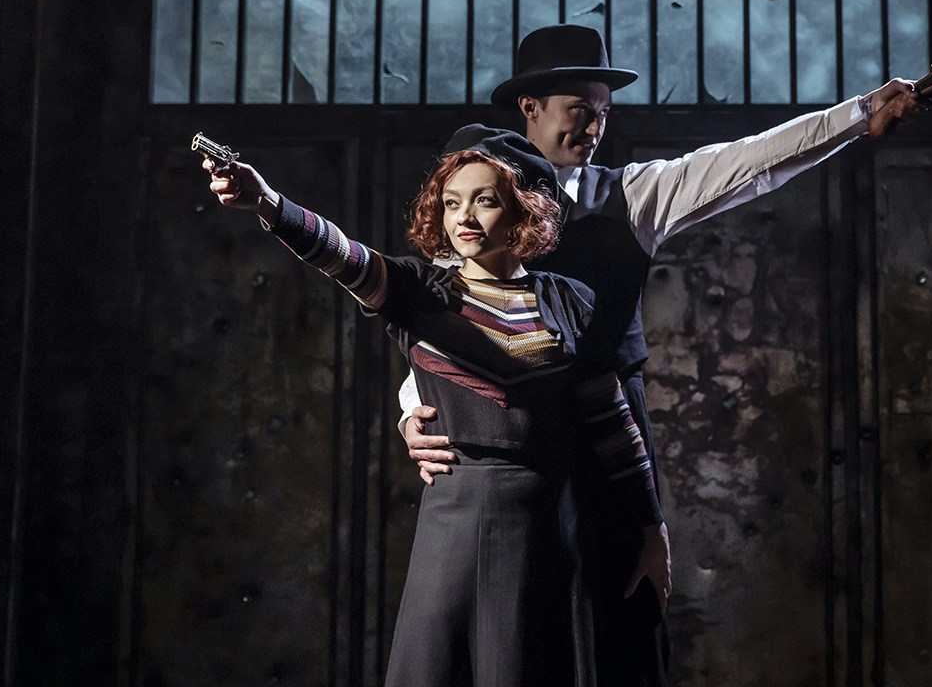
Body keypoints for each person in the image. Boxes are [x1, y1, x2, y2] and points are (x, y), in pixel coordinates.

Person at [399, 23, 925, 686]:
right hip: (514, 461)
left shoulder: (633, 197)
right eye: (579, 110)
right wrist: (410, 414)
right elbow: (433, 341)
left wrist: (859, 114)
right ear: (530, 108)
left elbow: (749, 160)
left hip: (611, 451)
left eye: (604, 113)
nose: (593, 126)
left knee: (620, 634)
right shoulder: (471, 211)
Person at [203, 128, 670, 687]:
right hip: (455, 514)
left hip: (552, 523)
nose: (464, 216)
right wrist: (267, 203)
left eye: (484, 200)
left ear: (523, 214)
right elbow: (340, 254)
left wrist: (651, 527)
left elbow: (612, 422)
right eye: (451, 203)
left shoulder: (569, 297)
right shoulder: (419, 291)